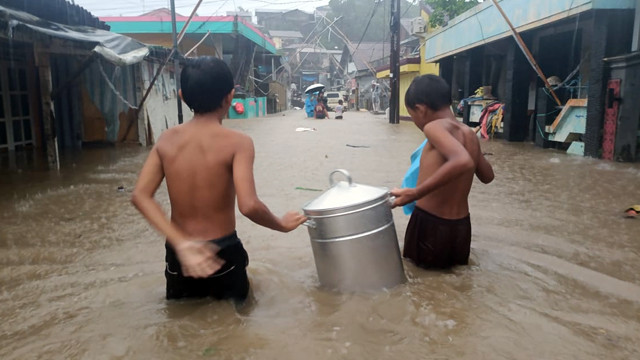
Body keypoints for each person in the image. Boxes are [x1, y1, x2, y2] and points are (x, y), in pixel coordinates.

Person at [131, 56, 307, 303]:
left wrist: (181, 244)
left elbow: (140, 195)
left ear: (182, 96)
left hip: (179, 255)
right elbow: (248, 206)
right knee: (236, 328)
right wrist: (282, 224)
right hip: (222, 252)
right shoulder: (238, 143)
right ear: (230, 97)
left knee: (182, 324)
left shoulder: (165, 140)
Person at [390, 74, 494, 269]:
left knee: (420, 290)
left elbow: (461, 161)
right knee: (451, 288)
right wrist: (475, 151)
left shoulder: (433, 127)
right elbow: (488, 176)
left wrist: (415, 192)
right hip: (461, 228)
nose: (416, 122)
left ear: (420, 110)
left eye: (412, 116)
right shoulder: (469, 133)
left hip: (430, 225)